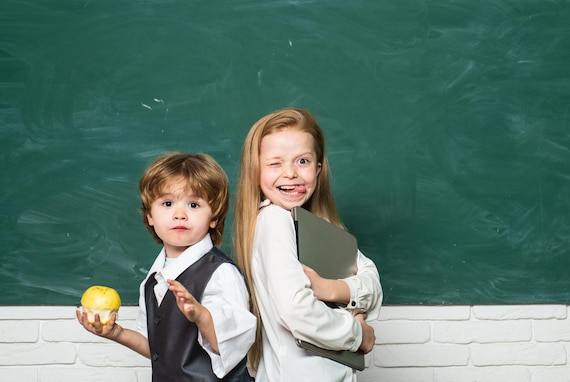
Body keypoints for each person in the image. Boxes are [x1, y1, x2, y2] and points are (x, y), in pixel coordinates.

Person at [77, 152, 256, 381]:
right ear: (150, 215)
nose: (180, 214)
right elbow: (158, 350)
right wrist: (117, 333)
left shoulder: (221, 273)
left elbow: (232, 344)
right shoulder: (153, 279)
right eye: (168, 203)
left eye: (193, 204)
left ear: (214, 217)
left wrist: (200, 315)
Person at [233, 108, 383, 382]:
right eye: (275, 163)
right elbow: (297, 311)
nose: (290, 173)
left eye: (302, 161)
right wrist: (358, 333)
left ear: (318, 168)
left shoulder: (313, 227)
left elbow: (373, 283)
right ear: (255, 171)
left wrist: (330, 288)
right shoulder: (274, 219)